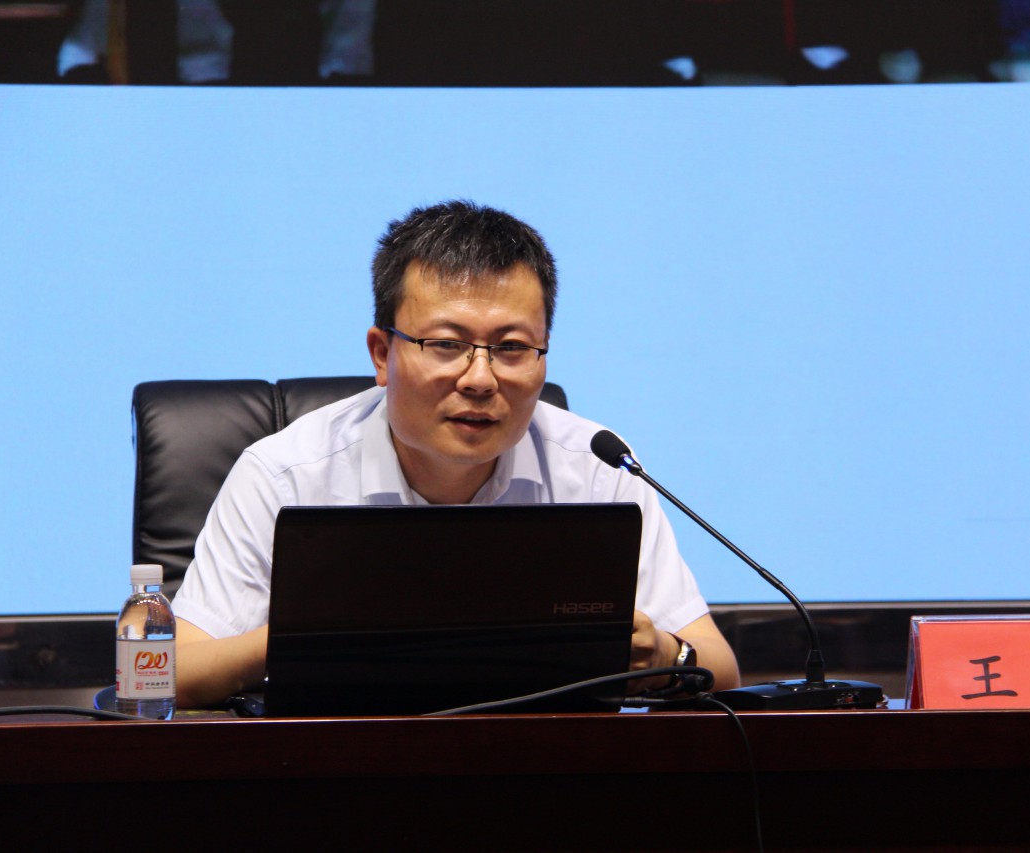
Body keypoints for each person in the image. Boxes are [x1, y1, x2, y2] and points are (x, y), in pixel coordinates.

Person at [173, 200, 740, 707]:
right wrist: (312, 636)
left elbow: (721, 667)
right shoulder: (284, 473)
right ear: (382, 354)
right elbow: (171, 674)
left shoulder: (596, 465)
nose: (480, 379)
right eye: (446, 344)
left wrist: (663, 654)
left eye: (512, 348)